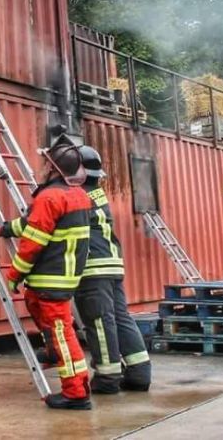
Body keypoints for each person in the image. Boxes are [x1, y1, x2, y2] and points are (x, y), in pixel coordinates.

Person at [0, 136, 93, 410]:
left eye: (46, 163)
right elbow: (34, 224)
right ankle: (53, 351)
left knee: (62, 333)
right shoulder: (77, 196)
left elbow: (33, 241)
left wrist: (14, 275)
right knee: (36, 306)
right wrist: (5, 229)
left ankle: (76, 393)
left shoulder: (50, 197)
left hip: (51, 279)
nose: (42, 166)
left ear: (55, 169)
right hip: (61, 278)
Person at [72, 145, 152, 394]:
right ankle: (139, 373)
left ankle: (107, 378)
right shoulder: (97, 193)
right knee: (121, 318)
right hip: (112, 265)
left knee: (99, 321)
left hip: (93, 269)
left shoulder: (77, 196)